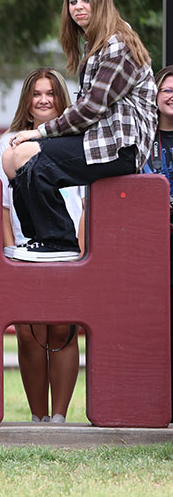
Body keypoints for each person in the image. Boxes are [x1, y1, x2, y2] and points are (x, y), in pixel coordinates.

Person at [4, 0, 157, 262]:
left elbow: (91, 108)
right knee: (10, 159)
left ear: (102, 3)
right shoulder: (95, 44)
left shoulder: (118, 44)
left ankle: (59, 240)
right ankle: (37, 238)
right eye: (73, 1)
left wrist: (42, 132)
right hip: (97, 138)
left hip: (121, 147)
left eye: (86, 0)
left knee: (30, 157)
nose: (78, 7)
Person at [0, 68, 84, 422]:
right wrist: (9, 249)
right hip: (24, 249)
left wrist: (82, 248)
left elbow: (86, 201)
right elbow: (1, 204)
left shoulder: (78, 141)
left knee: (63, 330)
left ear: (62, 100)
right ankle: (37, 418)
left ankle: (59, 418)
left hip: (70, 251)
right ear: (27, 101)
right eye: (36, 93)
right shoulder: (9, 143)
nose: (44, 100)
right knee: (30, 334)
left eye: (51, 93)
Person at [141, 64, 173, 414]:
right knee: (152, 323)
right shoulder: (142, 139)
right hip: (149, 246)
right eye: (167, 89)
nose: (172, 95)